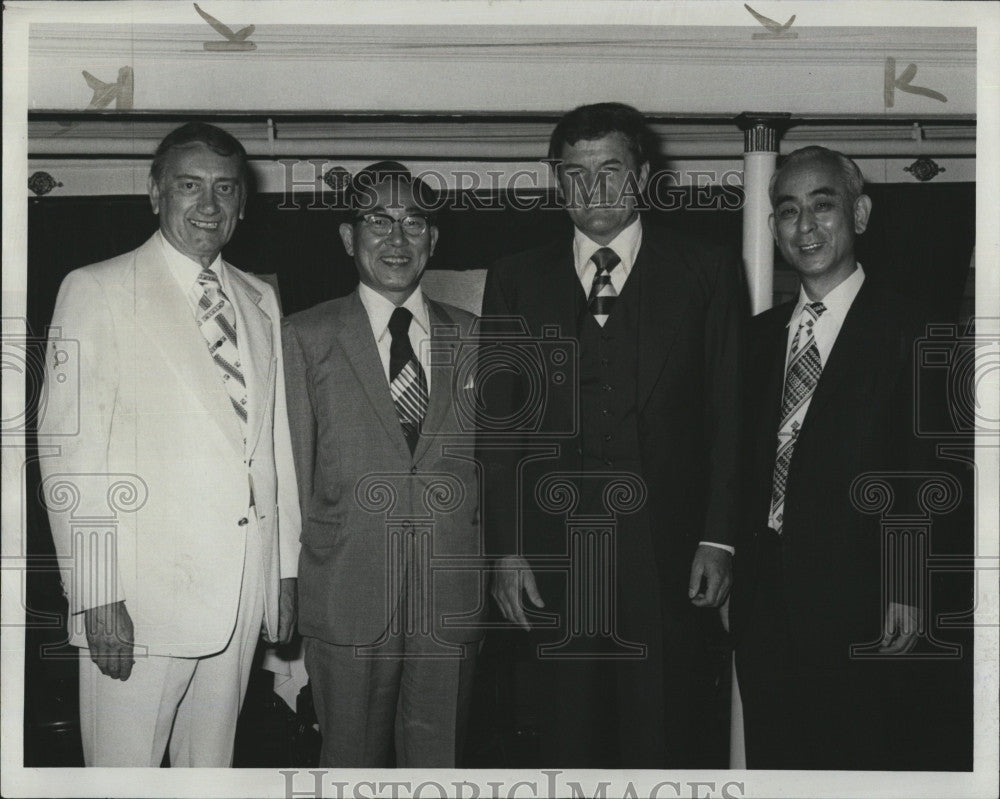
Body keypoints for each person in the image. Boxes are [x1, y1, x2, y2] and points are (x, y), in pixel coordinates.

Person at [479, 102, 743, 767]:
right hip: (555, 555)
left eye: (610, 169)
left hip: (669, 550)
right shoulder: (515, 278)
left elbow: (730, 414)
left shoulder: (708, 272)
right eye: (575, 173)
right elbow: (501, 429)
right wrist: (507, 550)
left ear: (643, 175)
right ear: (555, 180)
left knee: (664, 729)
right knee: (566, 734)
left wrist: (718, 536)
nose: (593, 189)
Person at [38, 122, 300, 767]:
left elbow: (275, 449)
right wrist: (96, 591)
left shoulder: (260, 299)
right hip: (139, 599)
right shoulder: (95, 288)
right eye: (189, 186)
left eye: (224, 189)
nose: (207, 205)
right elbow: (69, 455)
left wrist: (283, 574)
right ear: (155, 194)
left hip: (240, 593)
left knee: (208, 774)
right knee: (124, 776)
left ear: (242, 203)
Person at [733, 146, 935, 769]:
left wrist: (906, 583)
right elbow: (738, 466)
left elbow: (932, 472)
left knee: (857, 764)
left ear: (862, 213)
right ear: (773, 228)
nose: (806, 227)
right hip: (764, 602)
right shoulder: (758, 337)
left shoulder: (915, 330)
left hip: (865, 600)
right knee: (775, 762)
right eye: (788, 211)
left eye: (824, 205)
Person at [282, 162, 486, 767]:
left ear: (433, 239)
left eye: (413, 222)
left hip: (449, 597)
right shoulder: (305, 336)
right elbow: (290, 475)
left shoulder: (478, 337)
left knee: (439, 766)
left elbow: (497, 471)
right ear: (349, 238)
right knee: (348, 766)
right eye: (378, 221)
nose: (397, 238)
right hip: (346, 594)